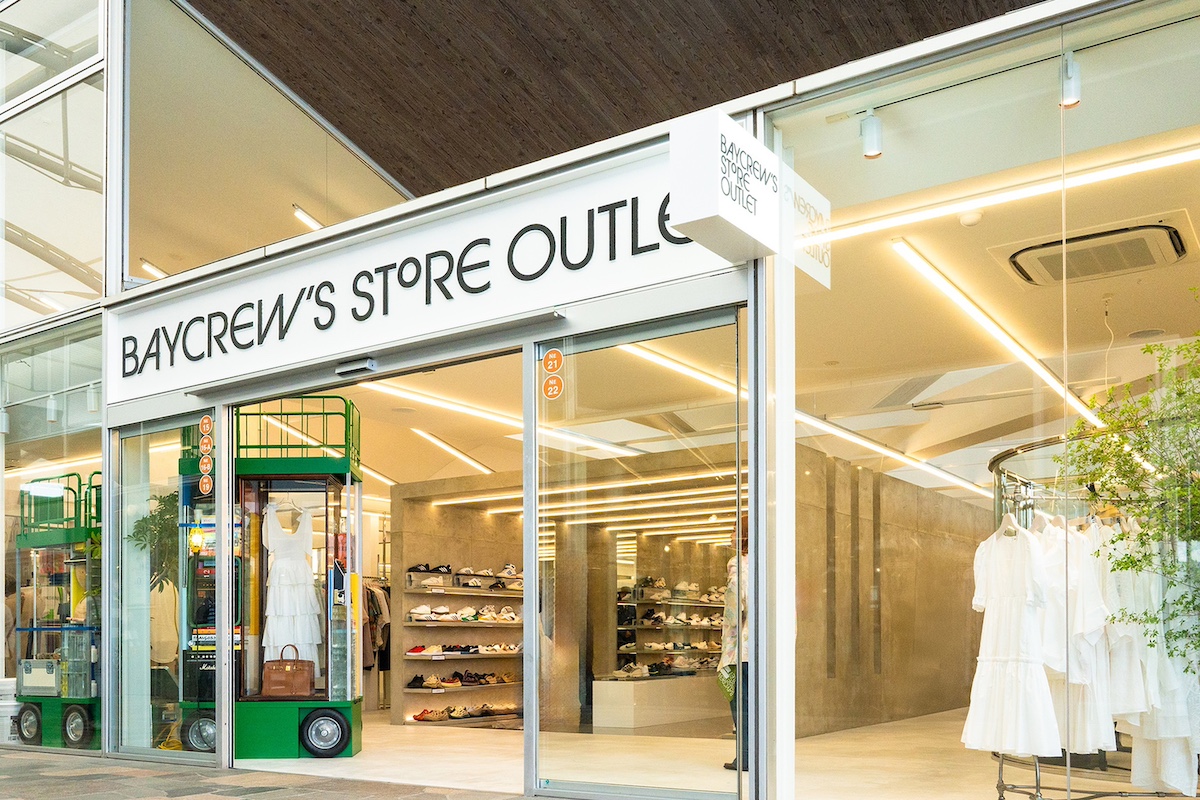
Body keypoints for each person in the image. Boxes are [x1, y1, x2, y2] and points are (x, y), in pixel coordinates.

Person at [719, 514, 749, 771]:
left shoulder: (737, 563)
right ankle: (760, 754)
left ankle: (745, 755)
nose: (730, 535)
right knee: (758, 703)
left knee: (739, 702)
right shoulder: (771, 562)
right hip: (762, 647)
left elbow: (734, 604)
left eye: (734, 530)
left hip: (739, 648)